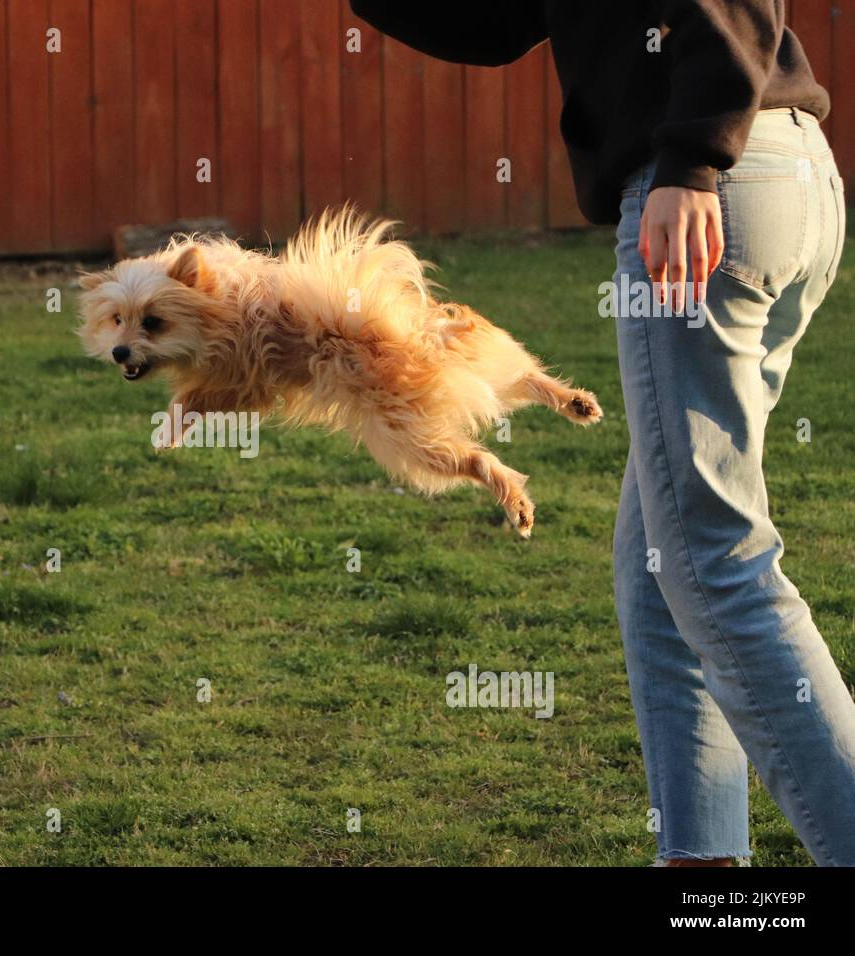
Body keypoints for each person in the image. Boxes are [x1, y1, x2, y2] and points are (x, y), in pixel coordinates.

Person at [350, 0, 852, 866]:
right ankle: (701, 870)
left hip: (715, 182)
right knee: (661, 564)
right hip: (781, 173)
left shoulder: (697, 149)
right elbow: (503, 20)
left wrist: (692, 158)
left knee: (710, 558)